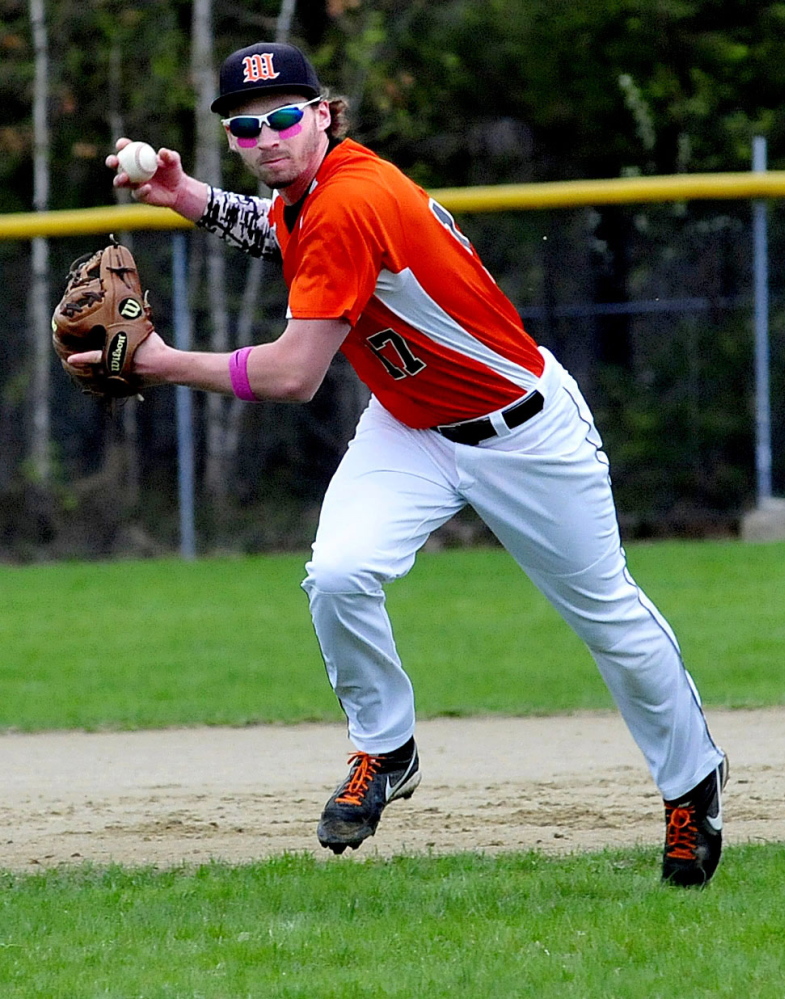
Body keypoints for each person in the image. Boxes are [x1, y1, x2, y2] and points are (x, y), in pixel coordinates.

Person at [70, 41, 727, 886]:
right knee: (340, 572)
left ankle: (690, 788)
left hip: (524, 432)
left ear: (325, 115)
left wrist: (159, 362)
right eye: (244, 127)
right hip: (412, 424)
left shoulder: (350, 200)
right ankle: (386, 747)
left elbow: (293, 374)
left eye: (283, 117)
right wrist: (184, 197)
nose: (265, 137)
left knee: (611, 622)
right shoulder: (314, 192)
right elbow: (280, 233)